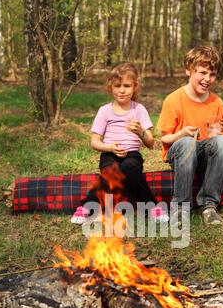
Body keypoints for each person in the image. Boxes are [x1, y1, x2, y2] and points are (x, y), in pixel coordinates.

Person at [71, 62, 168, 224]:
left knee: (129, 169)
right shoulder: (105, 111)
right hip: (109, 153)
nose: (122, 90)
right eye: (117, 86)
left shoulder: (139, 110)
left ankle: (153, 208)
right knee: (111, 170)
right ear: (111, 87)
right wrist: (109, 147)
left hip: (132, 155)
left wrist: (141, 132)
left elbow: (150, 143)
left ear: (135, 87)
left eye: (127, 86)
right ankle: (87, 206)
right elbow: (95, 142)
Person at [157, 45, 223, 225]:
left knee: (222, 142)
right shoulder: (174, 99)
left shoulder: (217, 102)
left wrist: (216, 135)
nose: (207, 79)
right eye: (202, 72)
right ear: (188, 70)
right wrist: (182, 133)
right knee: (186, 143)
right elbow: (164, 138)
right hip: (180, 153)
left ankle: (209, 206)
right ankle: (181, 208)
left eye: (212, 74)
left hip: (204, 155)